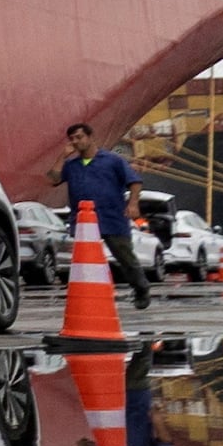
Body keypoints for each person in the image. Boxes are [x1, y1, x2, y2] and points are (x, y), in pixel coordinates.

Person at [56, 122, 151, 307]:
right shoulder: (71, 165)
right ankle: (90, 296)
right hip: (83, 221)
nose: (75, 142)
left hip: (112, 217)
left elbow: (134, 181)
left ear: (91, 137)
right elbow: (52, 179)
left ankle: (141, 289)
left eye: (79, 137)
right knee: (84, 260)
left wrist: (133, 204)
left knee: (125, 256)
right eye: (72, 139)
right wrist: (62, 156)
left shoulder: (113, 160)